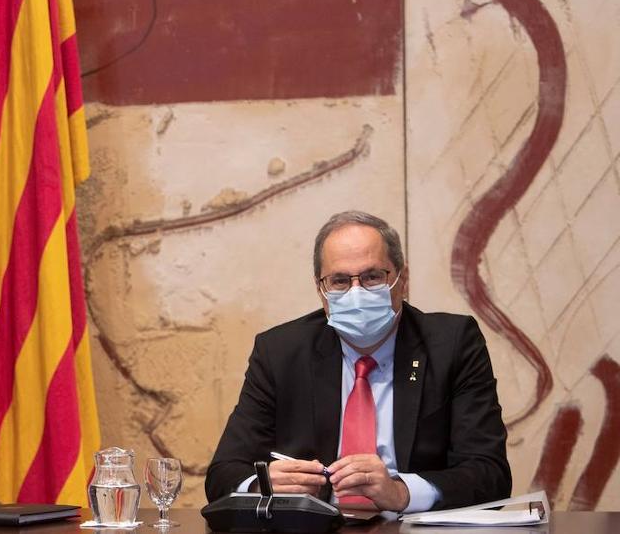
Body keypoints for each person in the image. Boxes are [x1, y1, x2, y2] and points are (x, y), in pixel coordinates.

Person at [204, 211, 510, 512]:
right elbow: (223, 474)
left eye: (372, 277)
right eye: (339, 281)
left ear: (402, 280)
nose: (356, 292)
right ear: (321, 291)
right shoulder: (280, 352)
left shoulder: (452, 344)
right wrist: (263, 485)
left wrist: (401, 492)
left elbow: (490, 475)